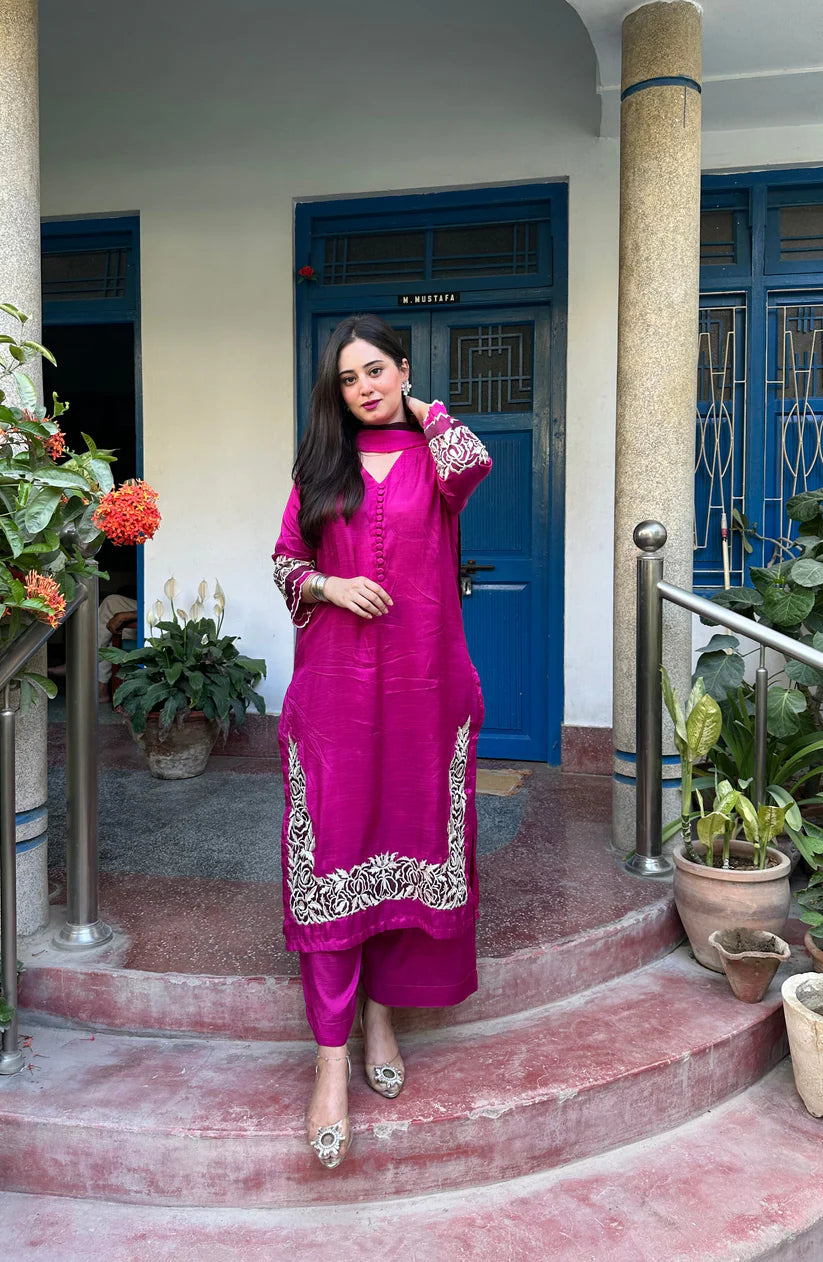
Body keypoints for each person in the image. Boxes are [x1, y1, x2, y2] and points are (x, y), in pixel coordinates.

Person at [272, 313, 492, 1169]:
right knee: (334, 857)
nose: (362, 388)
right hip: (333, 696)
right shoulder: (318, 470)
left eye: (376, 371)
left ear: (401, 371)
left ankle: (381, 1016)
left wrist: (427, 412)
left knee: (404, 847)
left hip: (420, 693)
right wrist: (328, 584)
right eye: (347, 379)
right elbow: (286, 560)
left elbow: (473, 463)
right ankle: (329, 1062)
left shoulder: (437, 461)